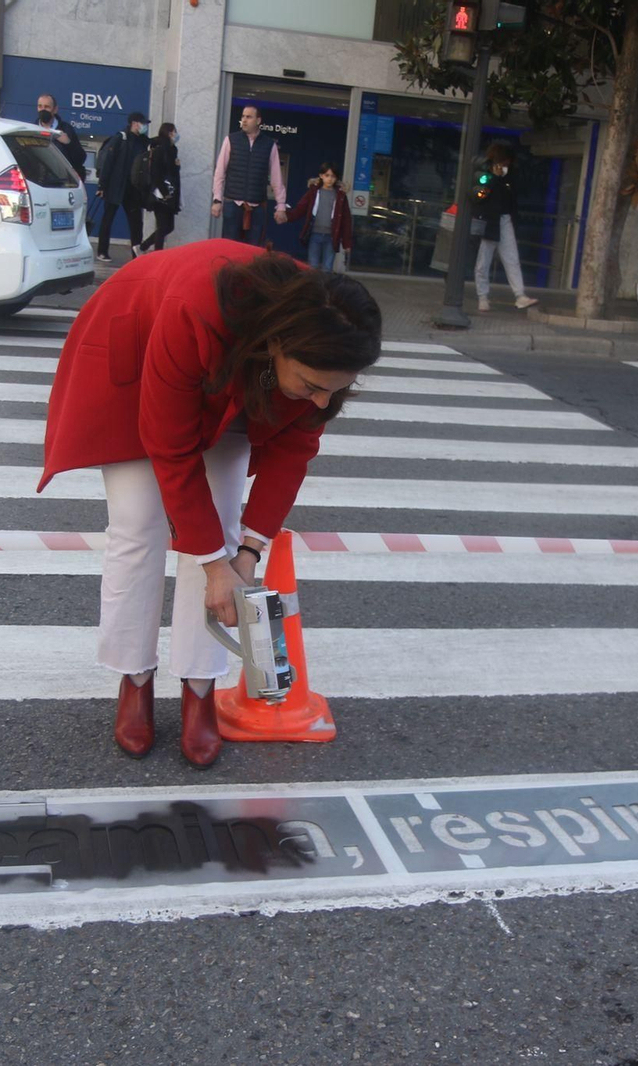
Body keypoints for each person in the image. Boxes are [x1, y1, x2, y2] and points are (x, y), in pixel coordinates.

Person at [38, 241, 383, 768]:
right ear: (277, 344)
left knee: (218, 535)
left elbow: (294, 450)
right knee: (137, 524)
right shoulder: (196, 312)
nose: (321, 402)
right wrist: (209, 559)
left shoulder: (328, 332)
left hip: (244, 375)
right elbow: (171, 450)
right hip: (142, 349)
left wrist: (245, 556)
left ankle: (200, 687)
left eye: (334, 392)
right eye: (313, 386)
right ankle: (135, 678)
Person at [210, 105, 288, 246]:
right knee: (229, 247)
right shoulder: (231, 140)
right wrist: (217, 200)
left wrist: (281, 205)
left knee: (254, 250)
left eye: (249, 117)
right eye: (243, 116)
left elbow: (276, 178)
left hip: (257, 205)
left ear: (258, 120)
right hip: (232, 203)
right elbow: (220, 172)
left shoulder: (269, 145)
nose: (244, 120)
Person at [473, 142, 537, 313]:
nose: (506, 167)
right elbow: (479, 195)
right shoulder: (485, 175)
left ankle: (519, 295)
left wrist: (503, 178)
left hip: (504, 219)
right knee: (483, 261)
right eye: (504, 163)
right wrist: (493, 178)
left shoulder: (509, 178)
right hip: (490, 220)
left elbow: (514, 195)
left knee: (511, 258)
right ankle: (483, 296)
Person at [94, 112, 150, 263]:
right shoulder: (120, 138)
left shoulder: (143, 141)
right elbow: (108, 163)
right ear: (134, 123)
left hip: (133, 189)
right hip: (116, 186)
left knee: (136, 222)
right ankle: (102, 251)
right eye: (142, 123)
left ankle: (136, 254)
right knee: (108, 218)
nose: (145, 126)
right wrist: (102, 185)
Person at [284, 163, 354, 272]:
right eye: (327, 175)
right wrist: (286, 216)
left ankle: (325, 288)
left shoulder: (340, 196)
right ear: (321, 176)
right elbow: (301, 208)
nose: (330, 179)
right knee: (313, 267)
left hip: (331, 237)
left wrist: (347, 243)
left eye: (333, 176)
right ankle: (313, 288)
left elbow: (346, 220)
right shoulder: (314, 192)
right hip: (315, 234)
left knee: (327, 268)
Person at [137, 122, 181, 254]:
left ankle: (143, 247)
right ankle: (155, 254)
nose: (176, 134)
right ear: (169, 133)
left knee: (168, 226)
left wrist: (177, 166)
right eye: (174, 131)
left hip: (170, 193)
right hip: (159, 194)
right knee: (163, 226)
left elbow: (172, 171)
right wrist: (164, 191)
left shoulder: (172, 149)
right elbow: (156, 173)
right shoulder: (159, 148)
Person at [36, 92, 86, 180]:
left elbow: (80, 159)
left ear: (55, 109)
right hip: (37, 181)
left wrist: (69, 143)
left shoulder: (66, 129)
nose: (43, 110)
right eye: (40, 106)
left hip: (61, 182)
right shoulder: (31, 129)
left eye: (47, 107)